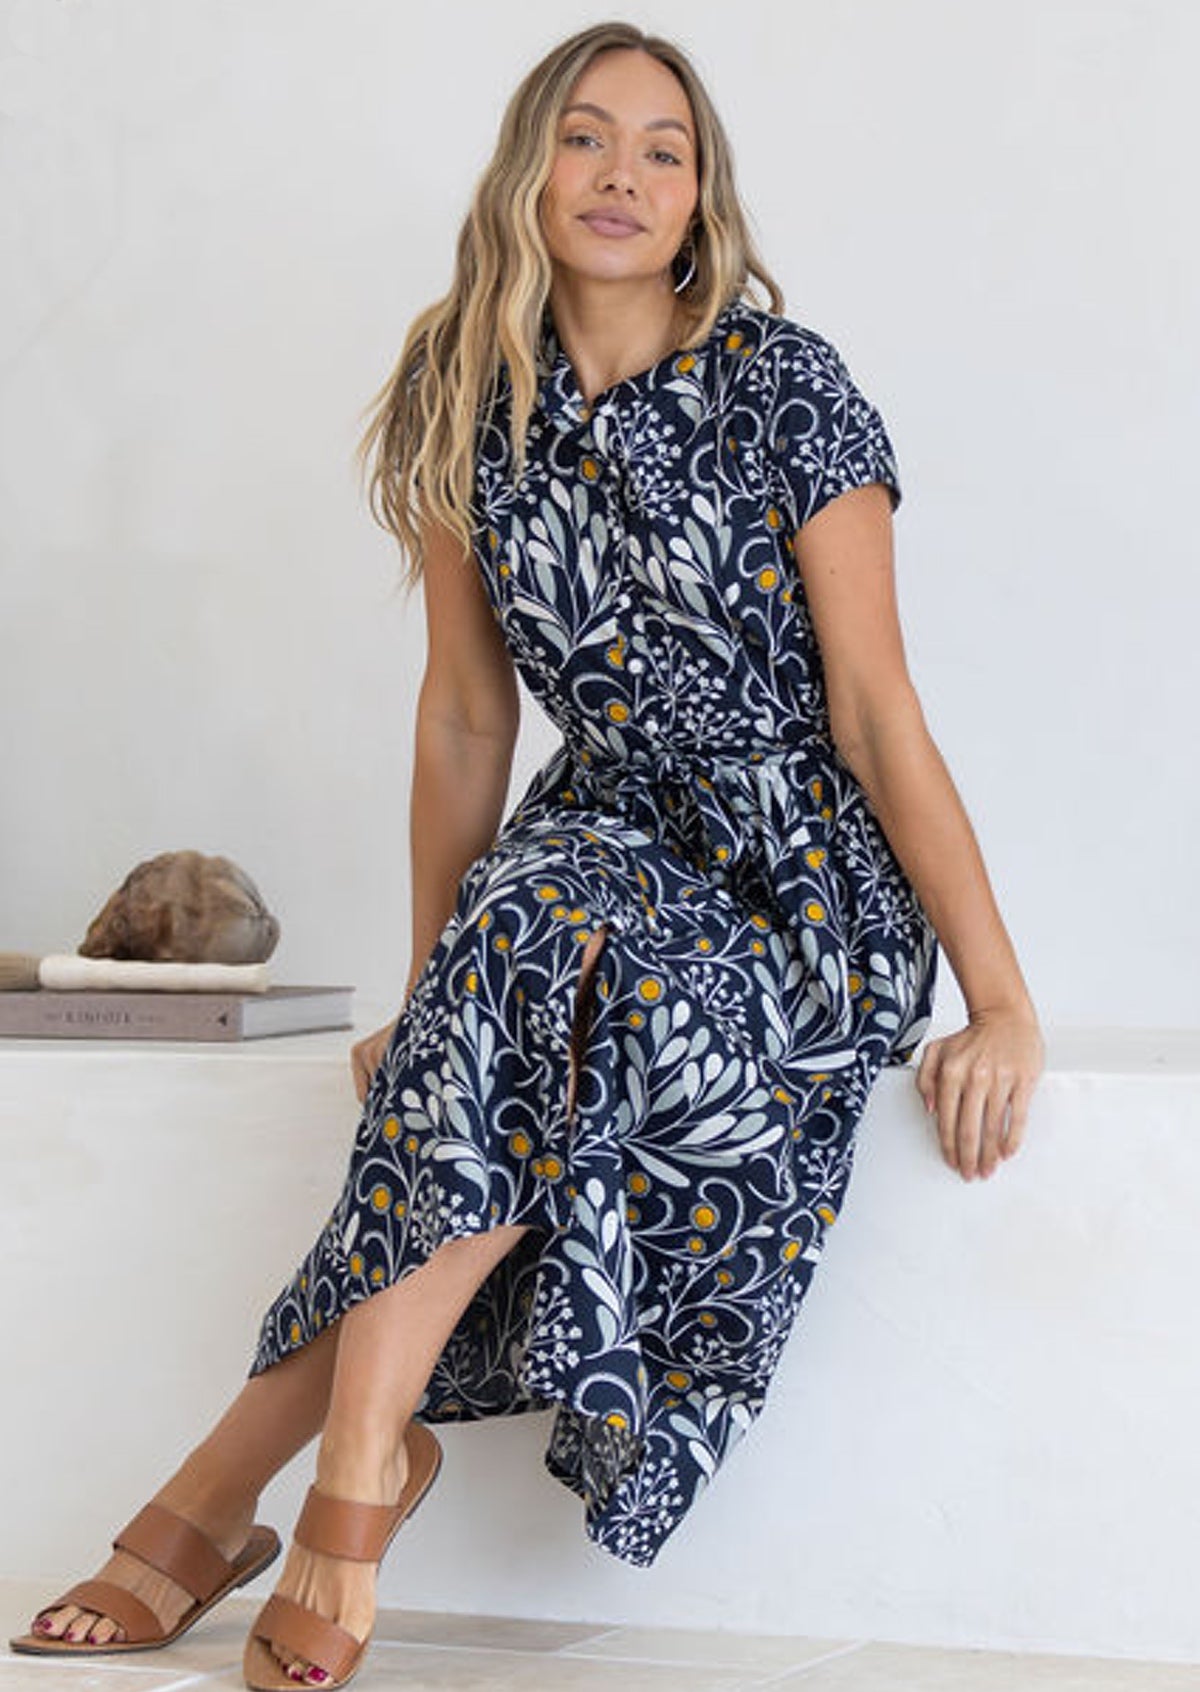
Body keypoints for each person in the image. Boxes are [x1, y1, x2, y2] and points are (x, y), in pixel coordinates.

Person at [9, 19, 1044, 1691]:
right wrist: (433, 1002)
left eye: (664, 148)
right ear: (526, 170)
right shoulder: (459, 390)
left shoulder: (788, 387)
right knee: (530, 939)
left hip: (794, 892)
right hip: (586, 855)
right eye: (585, 137)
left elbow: (875, 711)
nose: (623, 175)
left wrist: (998, 998)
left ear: (704, 198)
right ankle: (336, 1480)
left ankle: (267, 1480)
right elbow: (467, 725)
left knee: (540, 939)